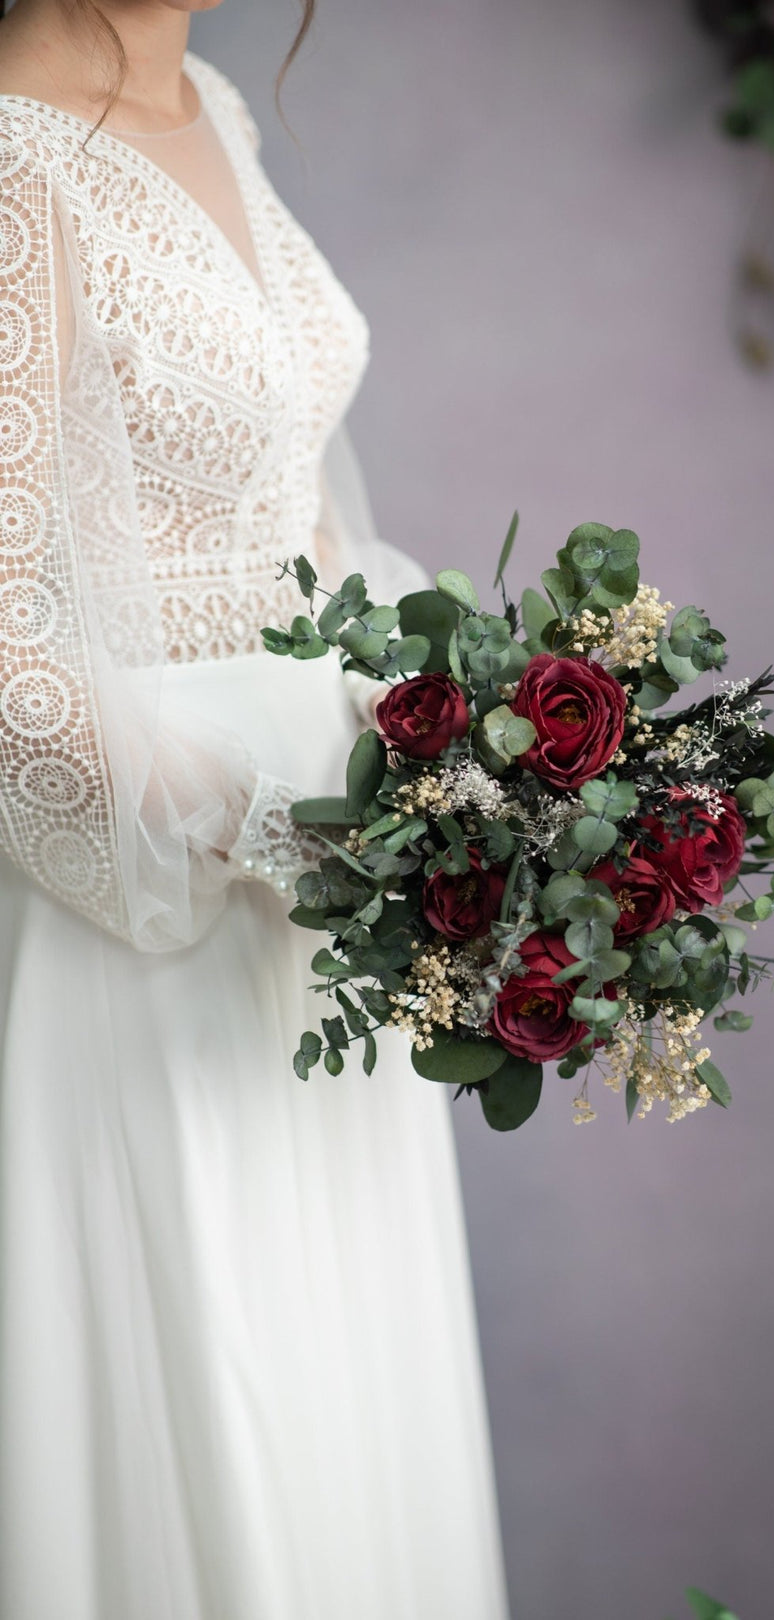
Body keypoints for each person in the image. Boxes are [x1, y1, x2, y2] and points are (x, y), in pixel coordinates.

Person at [0, 2, 509, 1615]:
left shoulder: (208, 96)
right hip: (153, 911)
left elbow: (288, 508)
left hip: (337, 916)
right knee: (215, 1427)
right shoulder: (13, 156)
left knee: (350, 1422)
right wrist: (261, 828)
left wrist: (447, 736)